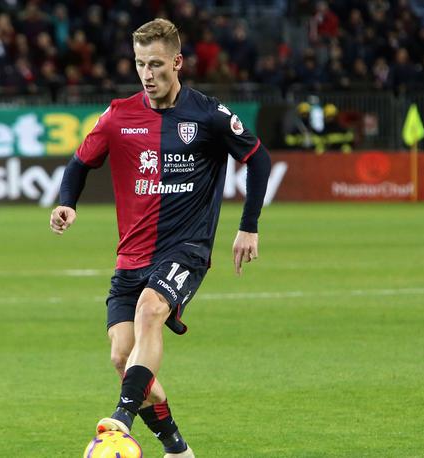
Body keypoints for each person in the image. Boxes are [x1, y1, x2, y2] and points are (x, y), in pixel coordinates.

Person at [49, 18, 271, 458]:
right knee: (123, 359)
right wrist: (67, 202)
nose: (147, 75)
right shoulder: (118, 115)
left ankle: (119, 421)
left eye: (155, 64)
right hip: (131, 256)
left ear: (178, 62)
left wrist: (248, 226)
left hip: (185, 250)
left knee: (152, 310)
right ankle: (176, 448)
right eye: (139, 65)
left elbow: (258, 159)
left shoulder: (207, 113)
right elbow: (78, 164)